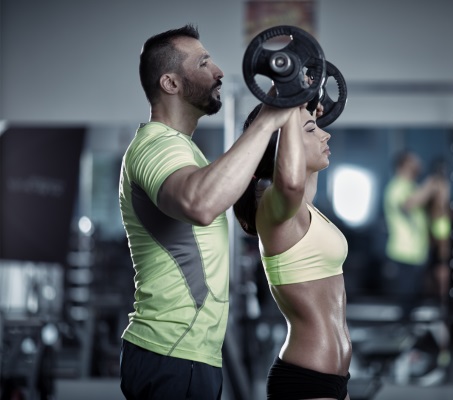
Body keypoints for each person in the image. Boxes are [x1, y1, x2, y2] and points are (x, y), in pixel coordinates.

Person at [118, 24, 296, 400]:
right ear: (171, 84)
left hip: (184, 354)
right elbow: (200, 204)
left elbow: (233, 192)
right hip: (170, 351)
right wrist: (266, 118)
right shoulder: (156, 147)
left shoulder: (185, 151)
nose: (219, 72)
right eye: (204, 62)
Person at [233, 102, 352, 400]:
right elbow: (289, 181)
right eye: (312, 131)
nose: (326, 135)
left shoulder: (302, 206)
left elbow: (299, 176)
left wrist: (306, 109)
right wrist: (285, 105)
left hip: (335, 378)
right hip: (307, 380)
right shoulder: (275, 204)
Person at [382, 151, 451, 314]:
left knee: (415, 302)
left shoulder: (413, 187)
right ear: (403, 165)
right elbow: (408, 204)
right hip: (404, 255)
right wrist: (430, 185)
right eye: (414, 161)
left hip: (418, 254)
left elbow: (436, 217)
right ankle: (401, 333)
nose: (418, 164)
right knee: (406, 303)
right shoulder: (396, 187)